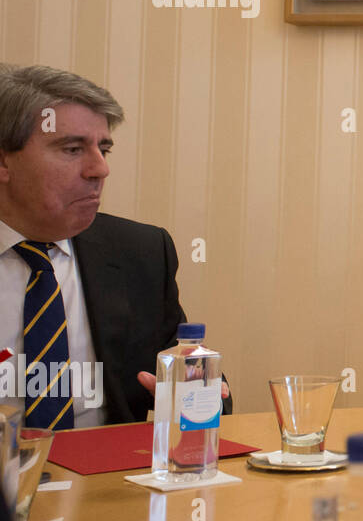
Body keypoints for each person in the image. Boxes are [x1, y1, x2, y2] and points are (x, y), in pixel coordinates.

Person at [0, 64, 229, 428]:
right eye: (73, 149)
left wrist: (195, 393)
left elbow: (194, 380)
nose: (99, 169)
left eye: (103, 148)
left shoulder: (140, 252)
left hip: (106, 477)